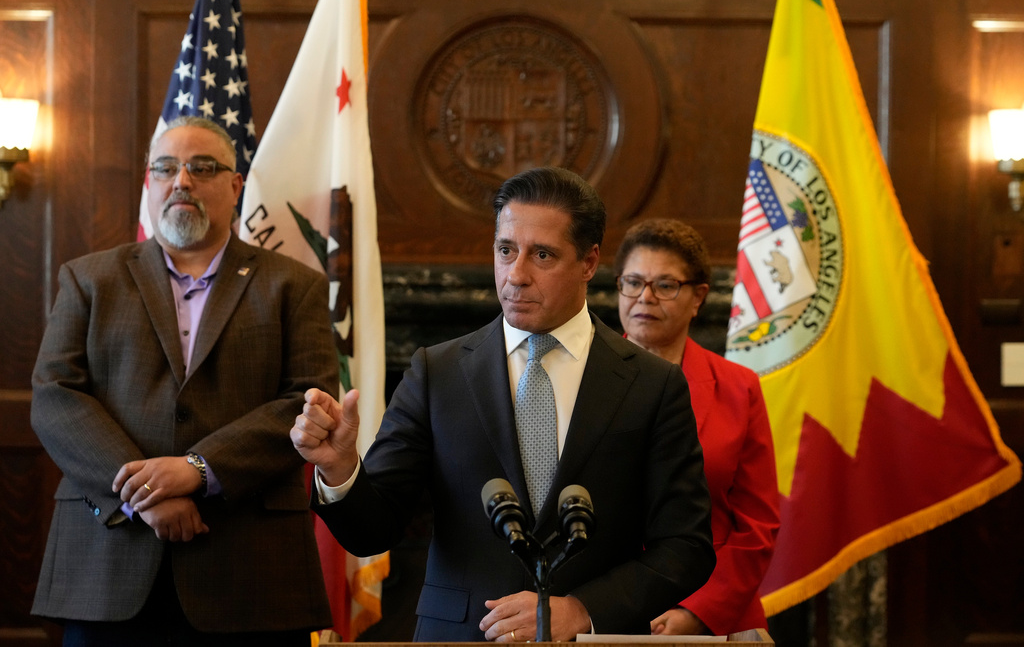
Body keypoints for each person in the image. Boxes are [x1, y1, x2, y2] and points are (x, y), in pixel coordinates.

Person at [291, 167, 715, 642]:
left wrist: (583, 610)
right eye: (506, 250)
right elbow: (374, 531)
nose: (516, 274)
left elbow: (686, 546)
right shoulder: (438, 372)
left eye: (542, 255)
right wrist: (341, 470)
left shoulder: (652, 384)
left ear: (590, 261)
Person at [30, 116, 336, 646]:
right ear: (149, 182)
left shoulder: (296, 285)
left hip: (250, 571)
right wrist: (146, 491)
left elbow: (304, 404)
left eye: (202, 167)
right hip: (109, 561)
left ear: (235, 185)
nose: (182, 181)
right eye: (166, 168)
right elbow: (56, 397)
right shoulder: (88, 278)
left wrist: (197, 470)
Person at [614, 218, 780, 636]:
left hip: (714, 613)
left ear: (697, 297)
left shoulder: (739, 388)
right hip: (605, 609)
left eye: (665, 285)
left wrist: (699, 612)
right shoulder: (578, 378)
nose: (644, 298)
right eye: (633, 282)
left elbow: (757, 524)